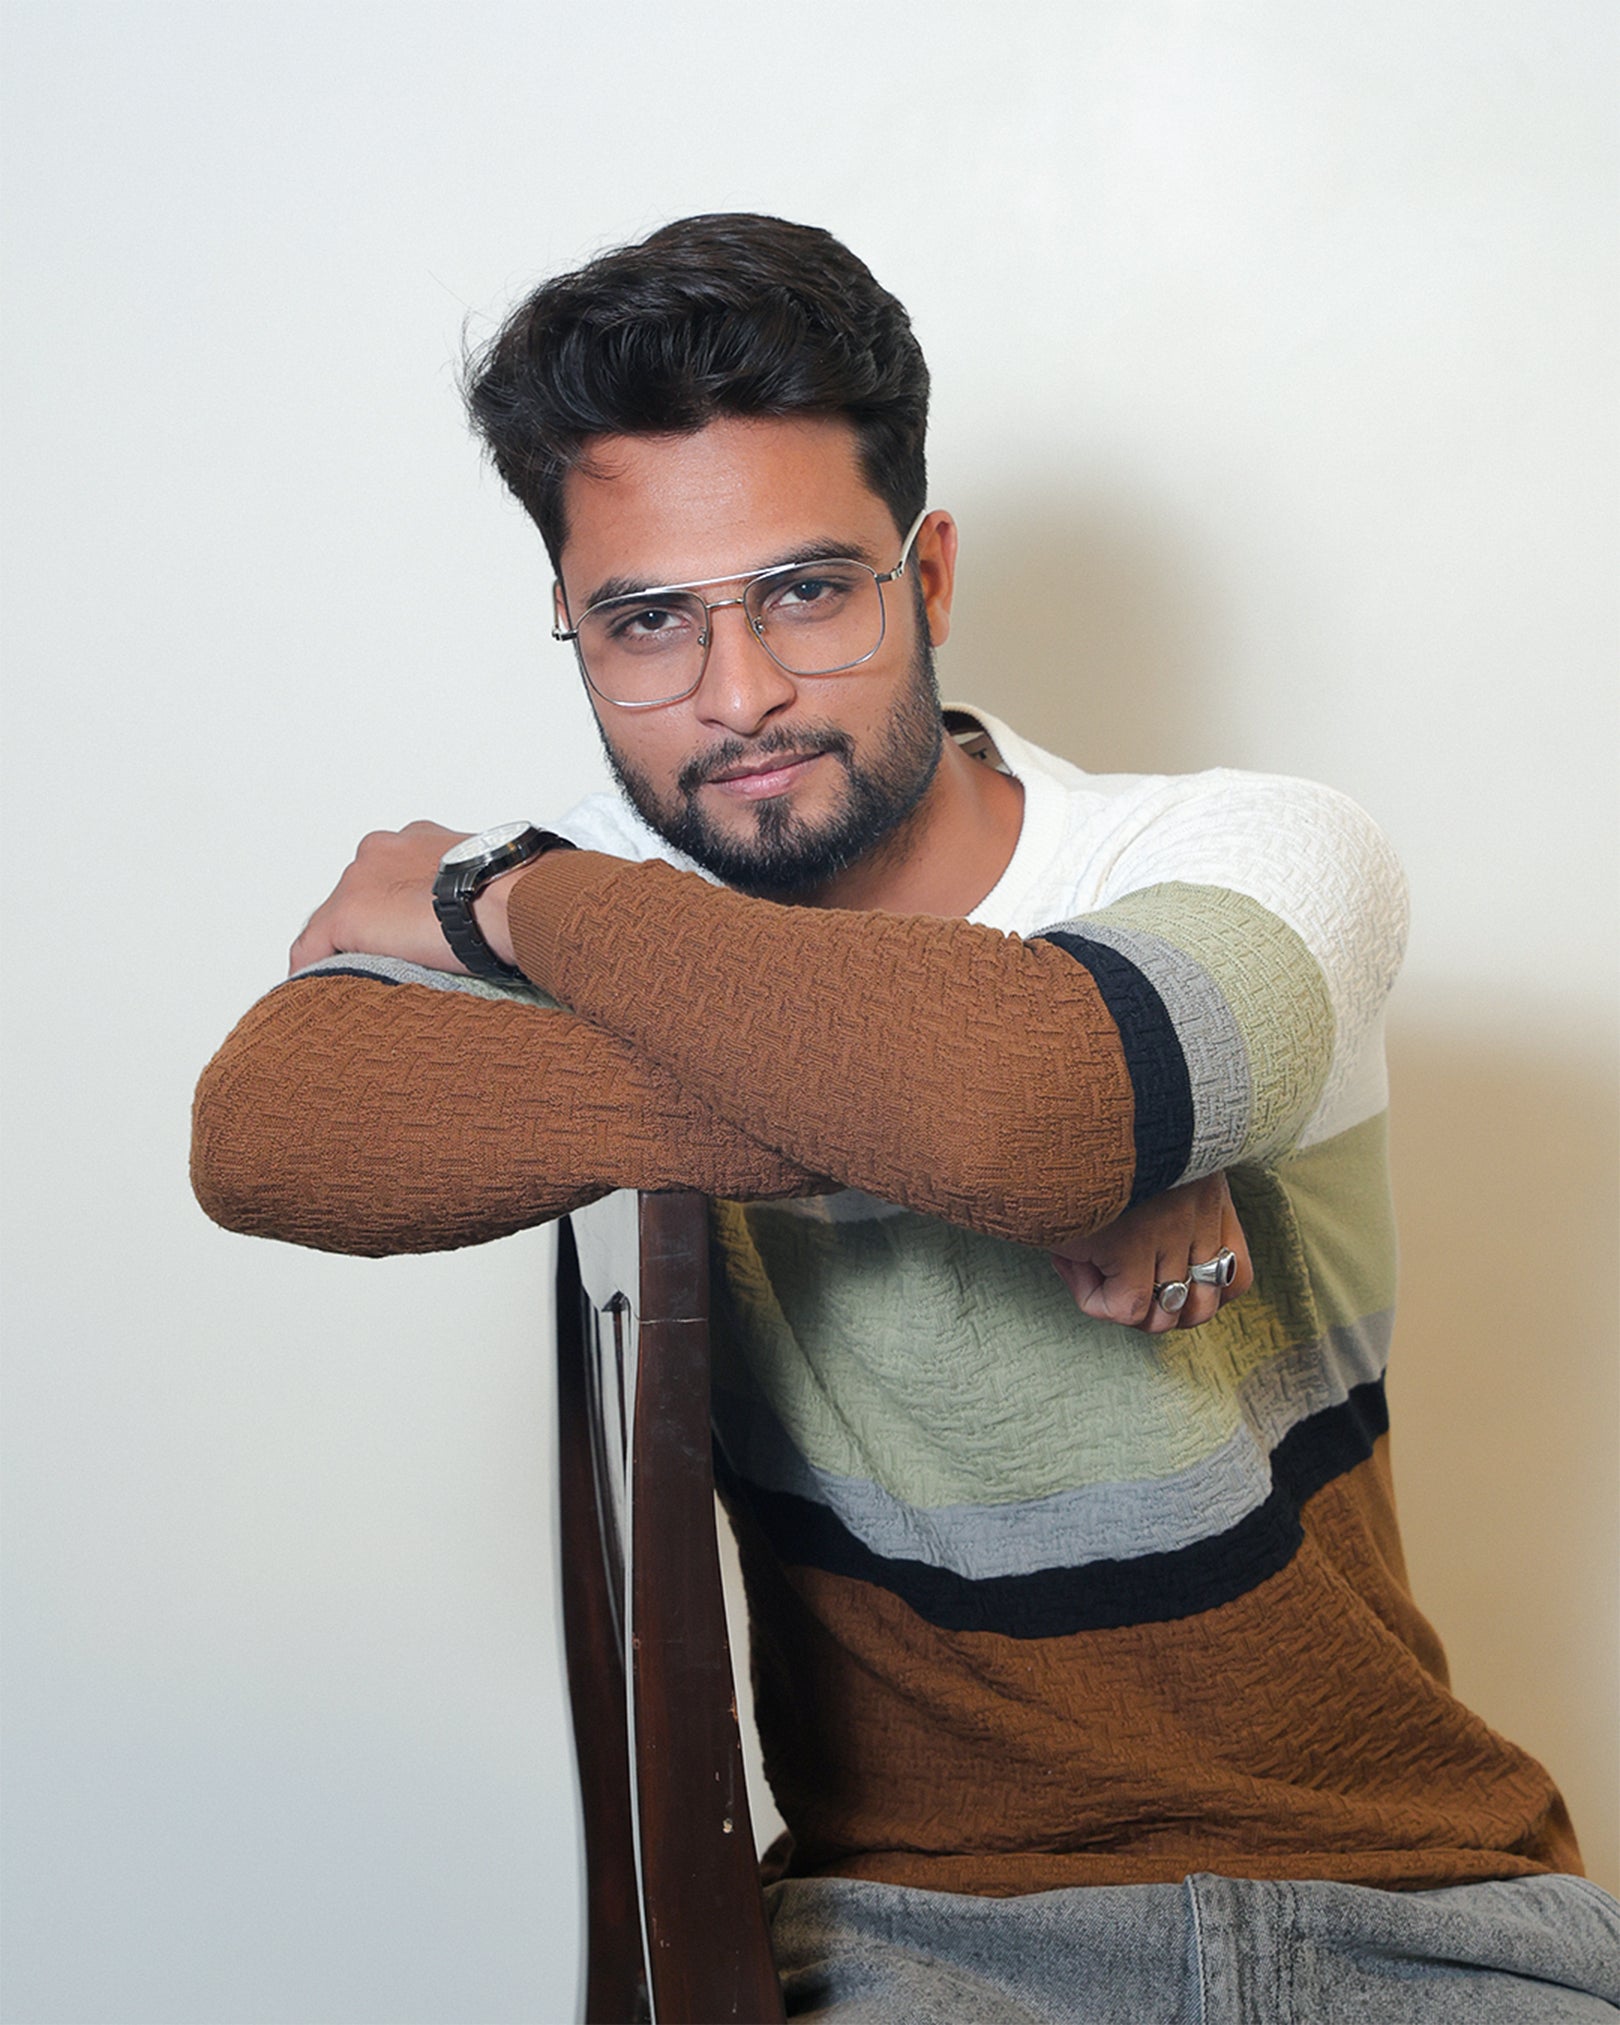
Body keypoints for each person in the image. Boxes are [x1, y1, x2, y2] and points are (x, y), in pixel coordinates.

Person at [191, 215, 1618, 2020]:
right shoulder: (642, 929)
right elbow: (263, 1128)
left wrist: (507, 889)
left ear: (927, 574)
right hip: (925, 1936)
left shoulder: (1249, 851)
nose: (738, 696)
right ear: (573, 623)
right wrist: (996, 1139)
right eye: (646, 620)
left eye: (807, 591)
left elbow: (1023, 1106)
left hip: (1416, 1906)